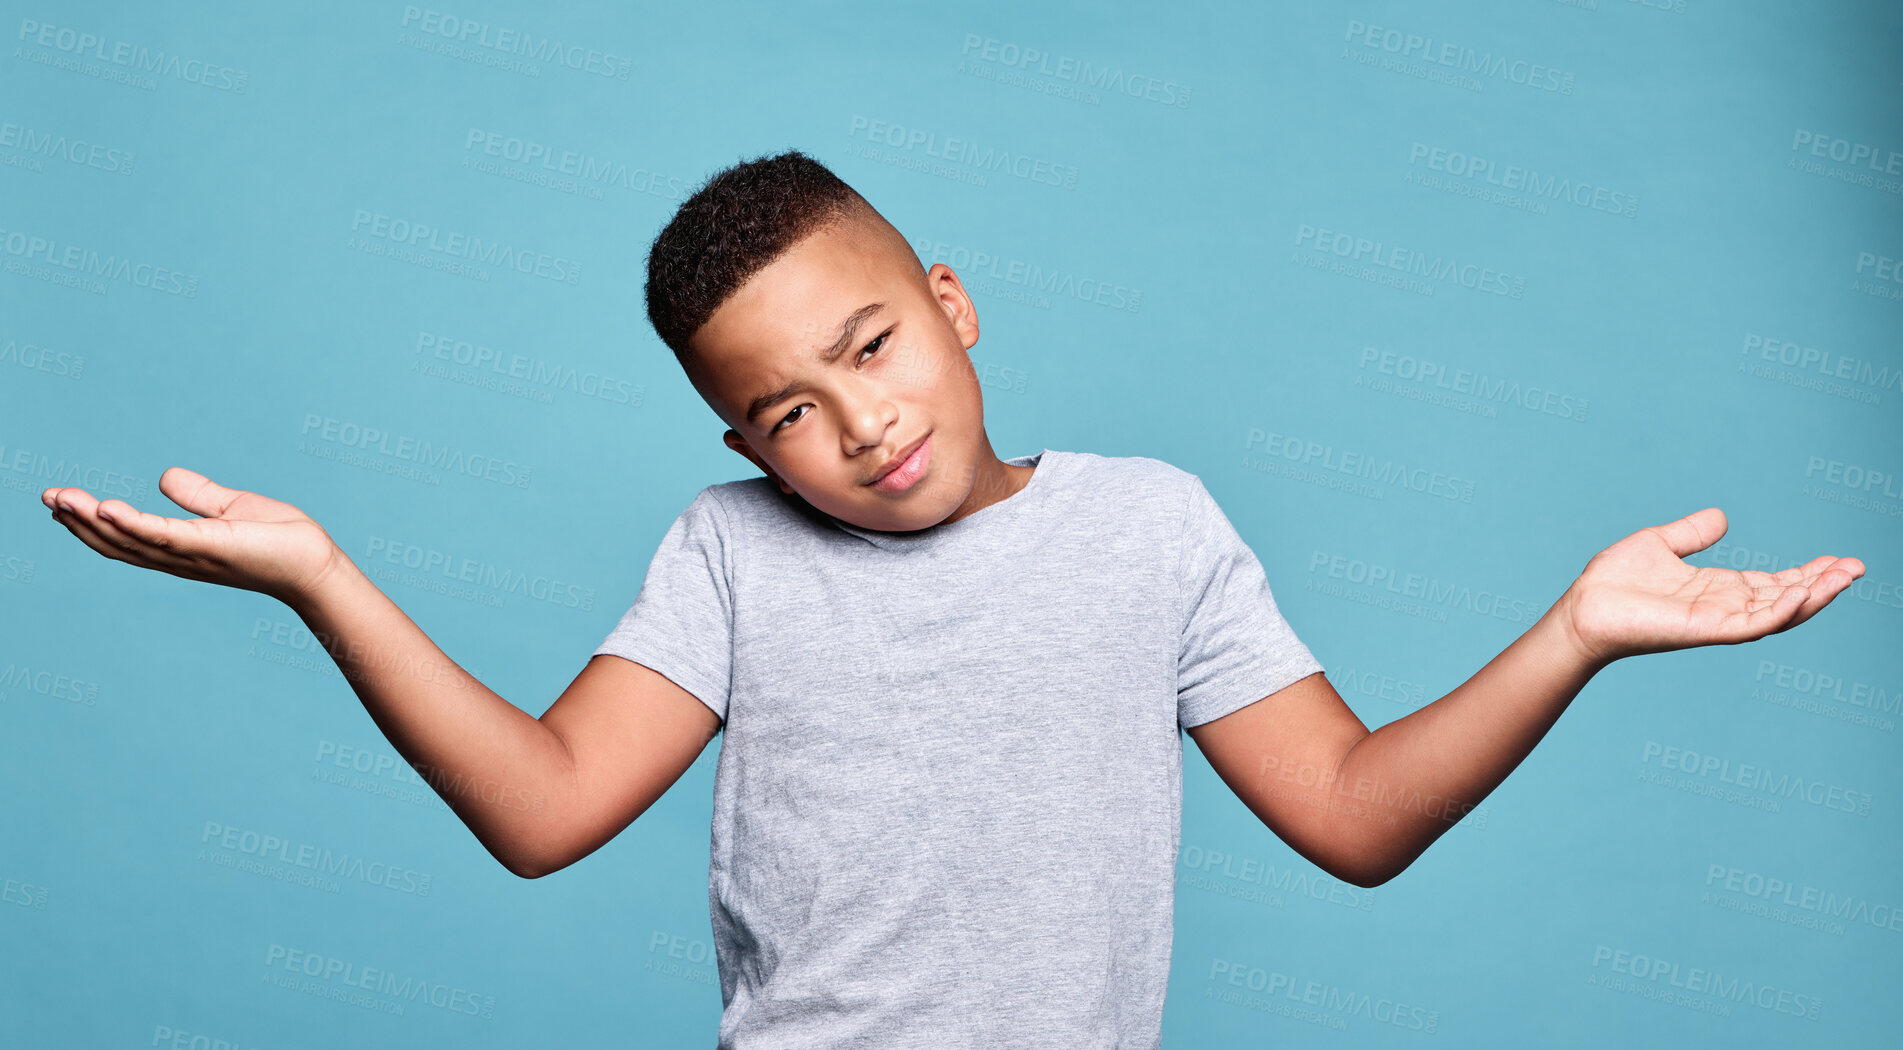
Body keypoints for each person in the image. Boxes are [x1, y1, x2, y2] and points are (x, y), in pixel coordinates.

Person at [40, 149, 1864, 1049]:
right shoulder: (730, 552)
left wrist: (1574, 634)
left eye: (875, 343)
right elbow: (542, 810)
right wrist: (318, 579)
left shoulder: (1153, 528)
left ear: (952, 300)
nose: (861, 423)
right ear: (742, 443)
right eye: (787, 411)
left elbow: (1351, 815)